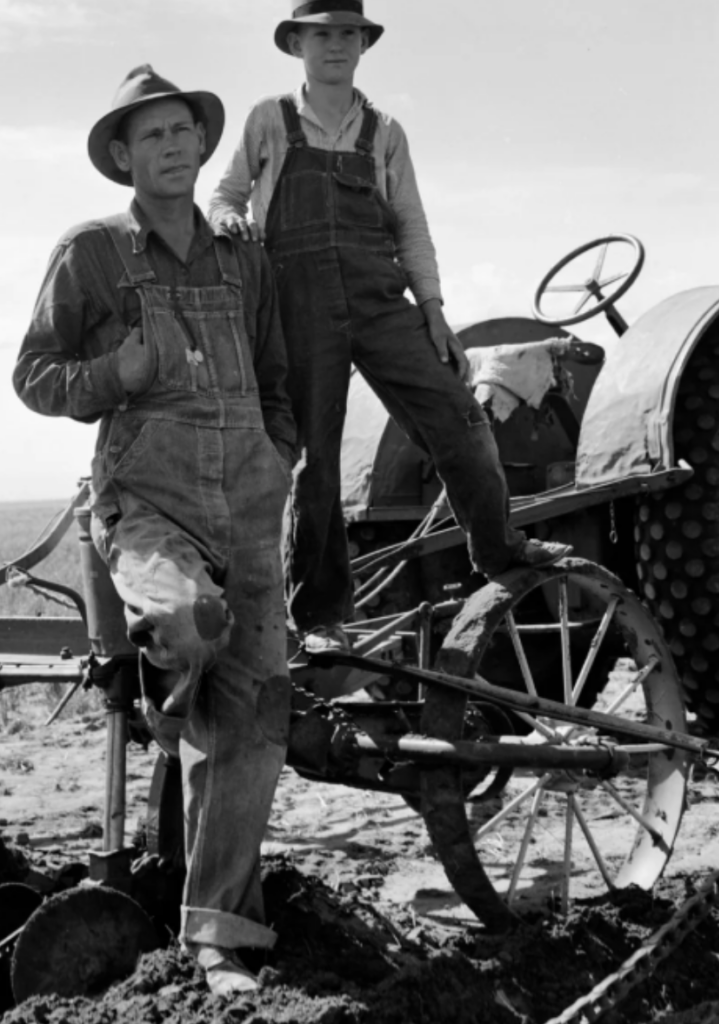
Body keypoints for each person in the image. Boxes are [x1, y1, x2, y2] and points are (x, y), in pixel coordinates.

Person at [13, 65, 296, 996]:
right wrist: (116, 371)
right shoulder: (92, 252)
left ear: (201, 144)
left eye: (184, 132)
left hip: (250, 502)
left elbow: (275, 367)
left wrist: (276, 446)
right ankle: (161, 694)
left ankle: (217, 935)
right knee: (188, 627)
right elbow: (35, 376)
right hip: (149, 501)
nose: (173, 147)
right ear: (123, 157)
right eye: (152, 137)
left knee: (255, 716)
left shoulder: (239, 251)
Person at [208, 1, 572, 655]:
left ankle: (498, 549)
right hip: (298, 306)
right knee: (315, 462)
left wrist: (433, 312)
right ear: (297, 44)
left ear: (363, 44)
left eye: (348, 33)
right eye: (322, 34)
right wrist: (227, 219)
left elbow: (411, 224)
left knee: (460, 415)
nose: (336, 45)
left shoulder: (384, 131)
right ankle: (318, 619)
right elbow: (226, 194)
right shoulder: (269, 119)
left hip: (381, 301)